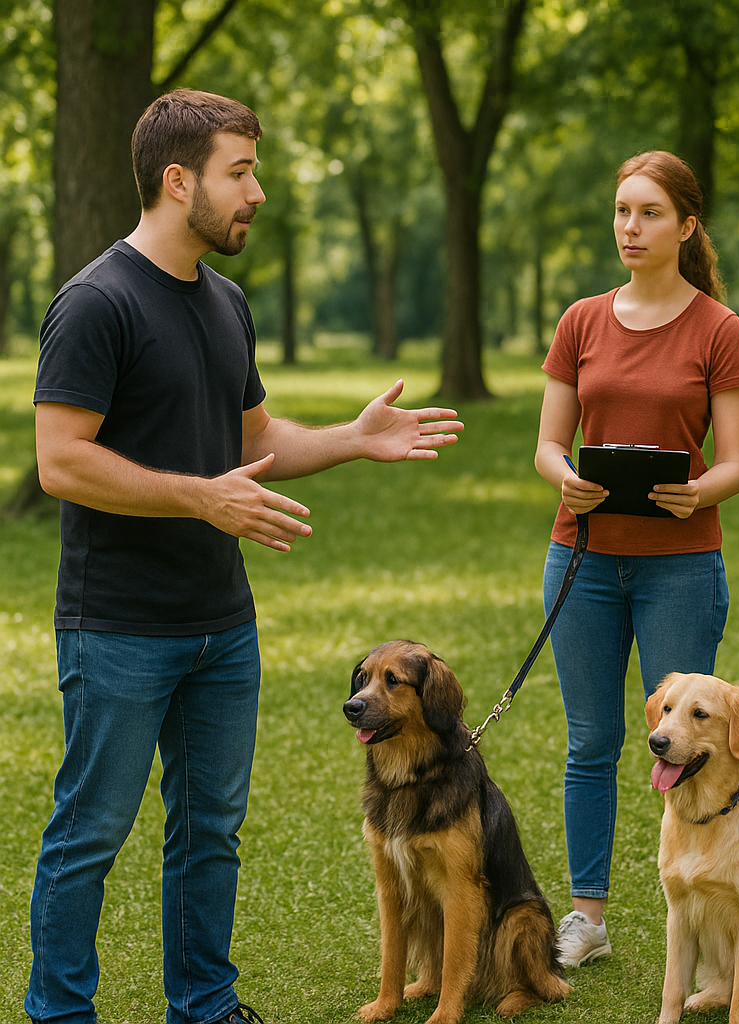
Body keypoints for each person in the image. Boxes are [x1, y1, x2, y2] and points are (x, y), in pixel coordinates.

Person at [27, 90, 462, 1024]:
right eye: (240, 171)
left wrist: (351, 436)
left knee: (210, 834)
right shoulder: (95, 302)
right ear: (177, 180)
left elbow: (254, 441)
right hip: (117, 627)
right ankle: (61, 1013)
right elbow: (60, 461)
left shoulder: (226, 303)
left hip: (221, 627)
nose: (256, 191)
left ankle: (206, 1006)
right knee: (90, 833)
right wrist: (202, 495)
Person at [532, 150, 739, 967]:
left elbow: (736, 461)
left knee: (691, 746)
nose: (632, 227)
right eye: (624, 211)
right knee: (591, 740)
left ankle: (698, 913)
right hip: (583, 558)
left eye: (650, 213)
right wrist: (567, 479)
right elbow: (550, 445)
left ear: (686, 225)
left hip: (681, 567)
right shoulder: (582, 321)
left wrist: (698, 492)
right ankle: (587, 916)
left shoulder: (717, 329)